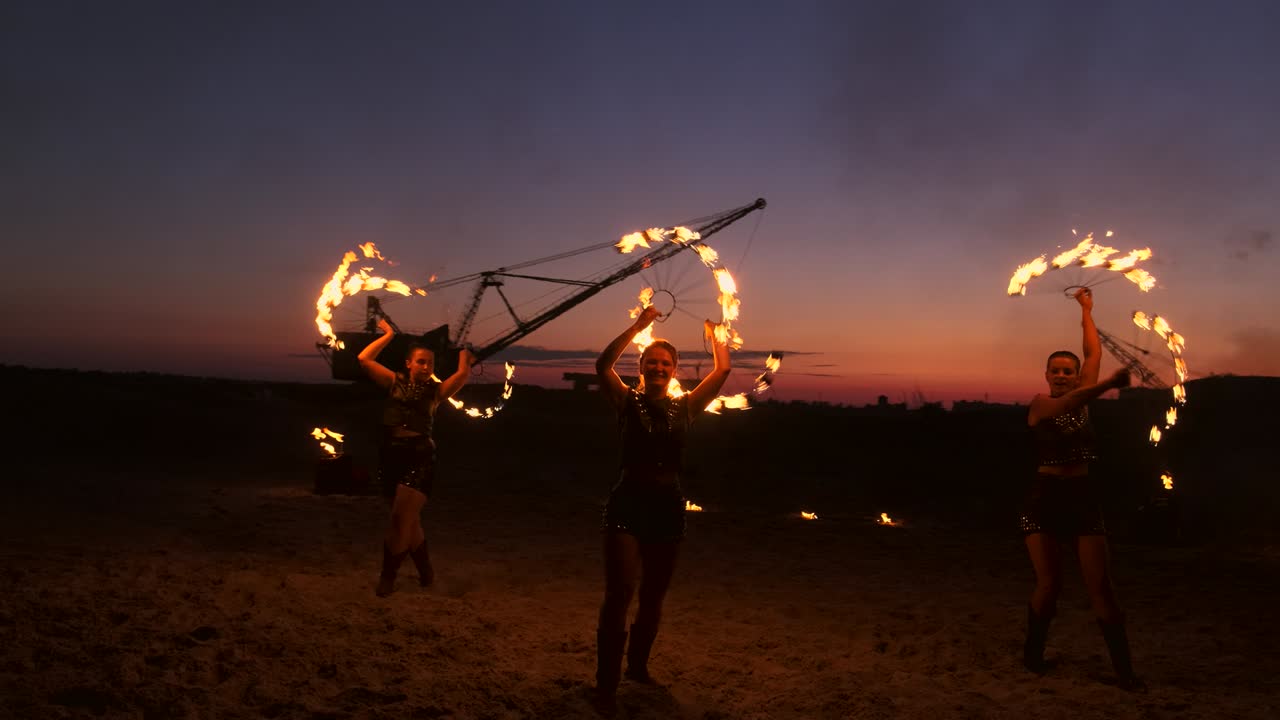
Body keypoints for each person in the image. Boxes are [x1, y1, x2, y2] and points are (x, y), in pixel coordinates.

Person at [590, 306, 731, 715]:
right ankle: (606, 684)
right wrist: (638, 326)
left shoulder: (686, 406)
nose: (658, 367)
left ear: (674, 370)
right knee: (620, 592)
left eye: (665, 363)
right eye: (651, 362)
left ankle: (637, 668)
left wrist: (717, 334)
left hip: (668, 506)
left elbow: (722, 370)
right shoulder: (625, 401)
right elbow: (602, 365)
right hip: (627, 502)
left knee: (653, 595)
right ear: (641, 367)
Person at [1021, 287, 1143, 690]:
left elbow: (1093, 354)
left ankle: (1125, 672)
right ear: (1046, 376)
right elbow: (1070, 403)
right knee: (1049, 584)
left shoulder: (1083, 394)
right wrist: (1106, 384)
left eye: (1067, 371)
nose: (1061, 375)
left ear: (1075, 376)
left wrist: (1086, 310)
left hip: (1082, 497)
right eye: (1054, 370)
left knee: (1101, 588)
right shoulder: (1040, 404)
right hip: (1044, 498)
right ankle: (1033, 656)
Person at [358, 318, 476, 597]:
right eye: (421, 362)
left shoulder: (437, 392)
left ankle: (388, 577)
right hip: (389, 454)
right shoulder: (393, 382)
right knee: (409, 522)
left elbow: (461, 375)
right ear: (408, 363)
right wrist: (388, 334)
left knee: (400, 520)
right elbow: (364, 359)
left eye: (430, 364)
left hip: (419, 457)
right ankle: (426, 572)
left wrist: (464, 358)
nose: (426, 367)